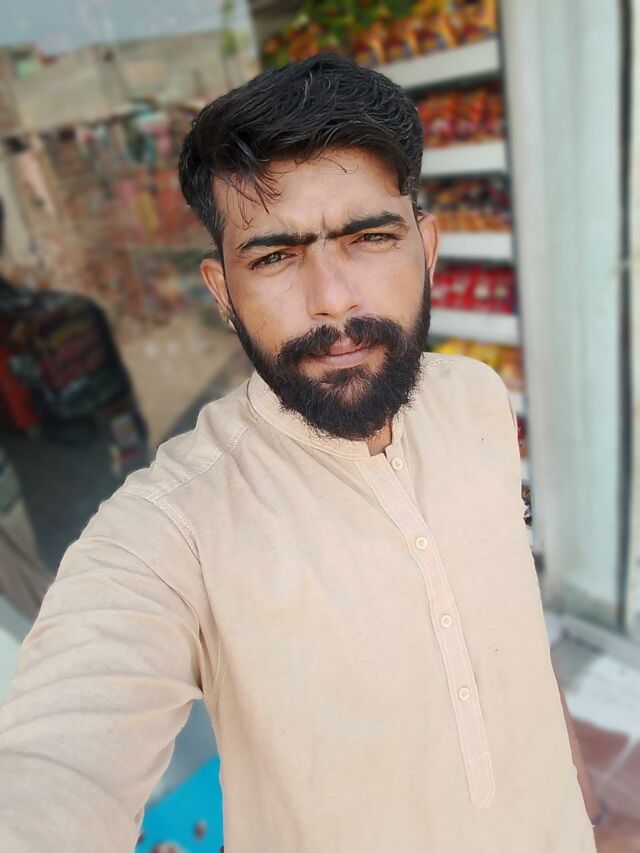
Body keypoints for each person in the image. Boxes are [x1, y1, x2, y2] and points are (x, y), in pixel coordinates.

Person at [0, 55, 602, 852]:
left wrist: (586, 806)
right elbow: (54, 765)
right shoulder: (173, 529)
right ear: (223, 292)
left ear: (427, 247)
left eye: (370, 236)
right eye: (275, 256)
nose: (333, 299)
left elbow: (514, 626)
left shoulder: (478, 399)